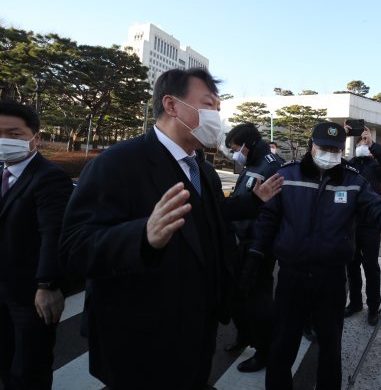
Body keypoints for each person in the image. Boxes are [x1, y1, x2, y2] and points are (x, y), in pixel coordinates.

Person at [59, 68, 284, 389]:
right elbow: (74, 248)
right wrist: (143, 236)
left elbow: (209, 217)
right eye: (208, 105)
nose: (216, 117)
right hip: (140, 338)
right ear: (171, 105)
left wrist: (253, 202)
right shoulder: (117, 163)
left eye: (218, 110)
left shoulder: (204, 171)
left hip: (197, 329)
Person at [243, 121, 381, 390]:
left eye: (335, 150)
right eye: (324, 147)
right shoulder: (287, 176)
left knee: (331, 347)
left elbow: (377, 208)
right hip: (292, 277)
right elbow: (267, 220)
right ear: (312, 146)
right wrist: (254, 258)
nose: (329, 154)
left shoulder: (353, 181)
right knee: (282, 345)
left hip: (331, 280)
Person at [0, 101, 73, 389]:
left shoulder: (50, 177)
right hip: (2, 289)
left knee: (30, 369)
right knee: (4, 363)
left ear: (35, 138)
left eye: (14, 134)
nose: (5, 141)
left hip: (31, 297)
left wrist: (47, 285)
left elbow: (53, 234)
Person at [223, 123, 283, 372]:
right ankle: (245, 335)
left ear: (247, 145)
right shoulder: (254, 162)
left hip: (258, 244)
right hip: (242, 240)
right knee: (238, 295)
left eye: (236, 149)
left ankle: (264, 350)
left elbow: (270, 213)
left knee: (258, 299)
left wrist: (257, 252)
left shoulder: (270, 166)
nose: (234, 154)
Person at [344, 125, 381, 325]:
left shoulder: (378, 166)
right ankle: (355, 302)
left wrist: (373, 144)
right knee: (352, 265)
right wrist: (343, 134)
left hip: (371, 223)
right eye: (361, 141)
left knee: (371, 266)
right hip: (351, 223)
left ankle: (374, 307)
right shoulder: (350, 164)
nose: (363, 144)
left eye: (366, 141)